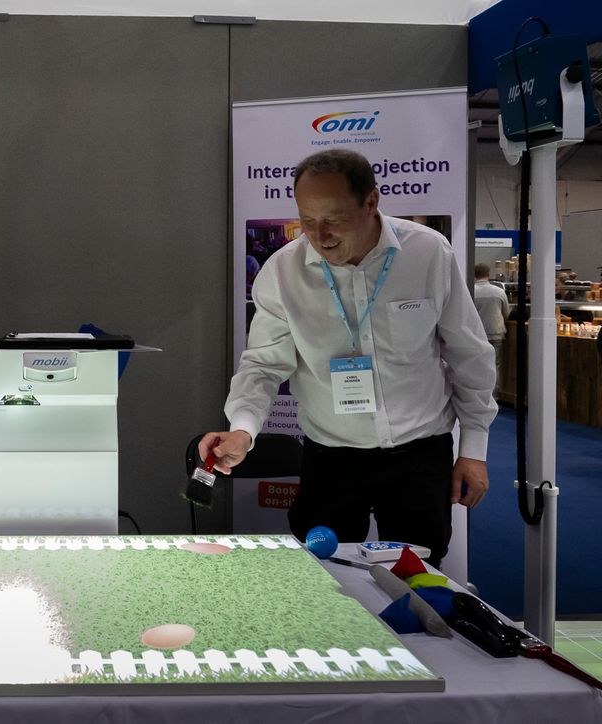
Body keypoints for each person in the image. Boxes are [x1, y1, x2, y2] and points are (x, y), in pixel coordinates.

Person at [200, 149, 496, 568]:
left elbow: (469, 354)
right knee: (324, 578)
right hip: (331, 457)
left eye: (334, 219)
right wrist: (243, 430)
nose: (319, 235)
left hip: (419, 454)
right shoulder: (283, 272)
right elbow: (263, 366)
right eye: (307, 220)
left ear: (371, 202)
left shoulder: (428, 253)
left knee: (418, 577)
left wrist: (474, 448)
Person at [472, 262, 511, 395]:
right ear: (488, 275)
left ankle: (478, 396)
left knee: (476, 366)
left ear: (474, 275)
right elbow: (506, 313)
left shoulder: (470, 291)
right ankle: (493, 397)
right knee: (494, 365)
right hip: (495, 333)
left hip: (476, 335)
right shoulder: (499, 291)